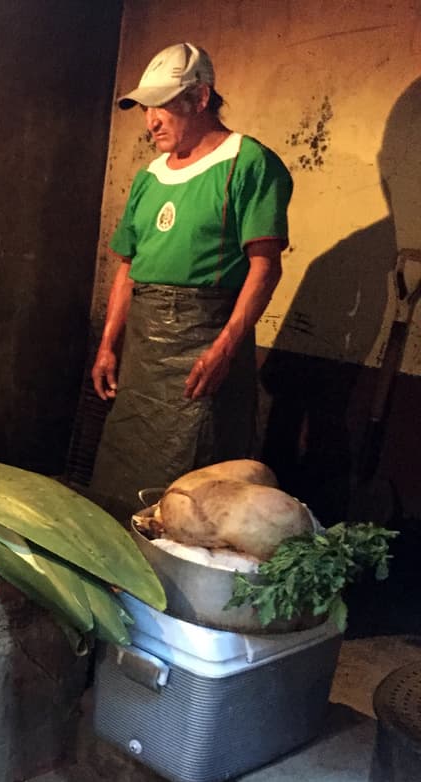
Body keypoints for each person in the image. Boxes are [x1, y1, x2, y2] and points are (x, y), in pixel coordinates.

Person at [87, 42, 293, 518]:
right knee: (124, 471)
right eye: (146, 108)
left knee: (193, 487)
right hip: (144, 347)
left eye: (163, 105)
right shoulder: (149, 177)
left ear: (200, 100)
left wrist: (225, 348)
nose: (151, 120)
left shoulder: (248, 164)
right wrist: (107, 344)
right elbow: (127, 267)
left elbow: (265, 265)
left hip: (204, 340)